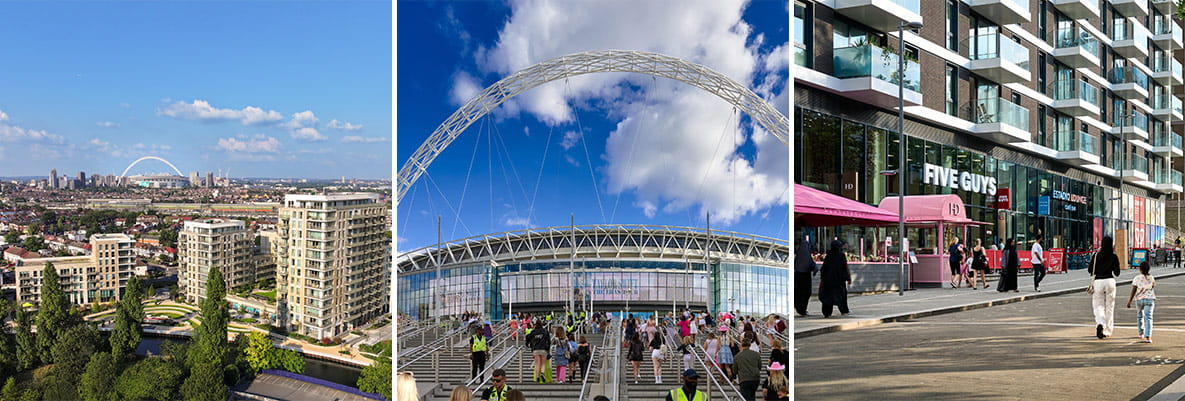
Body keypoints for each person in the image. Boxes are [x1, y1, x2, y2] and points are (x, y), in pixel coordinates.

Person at [1090, 235, 1121, 339]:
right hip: (1110, 281)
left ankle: (1100, 323)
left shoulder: (1096, 256)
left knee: (1098, 305)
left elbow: (1090, 270)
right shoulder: (1113, 256)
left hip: (1098, 281)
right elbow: (1117, 273)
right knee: (1110, 307)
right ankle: (1107, 330)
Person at [819, 240, 851, 317]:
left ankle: (827, 312)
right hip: (839, 280)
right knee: (841, 296)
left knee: (828, 297)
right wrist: (848, 278)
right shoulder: (841, 255)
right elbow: (844, 267)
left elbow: (824, 268)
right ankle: (844, 310)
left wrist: (823, 278)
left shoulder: (828, 255)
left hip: (828, 281)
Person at [1127, 261, 1157, 343]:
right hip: (1149, 299)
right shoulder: (1151, 278)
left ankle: (1141, 333)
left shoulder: (1137, 278)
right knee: (1148, 317)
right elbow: (1153, 286)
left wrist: (1130, 301)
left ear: (1140, 269)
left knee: (1139, 316)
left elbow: (1134, 289)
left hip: (1139, 299)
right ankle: (1148, 336)